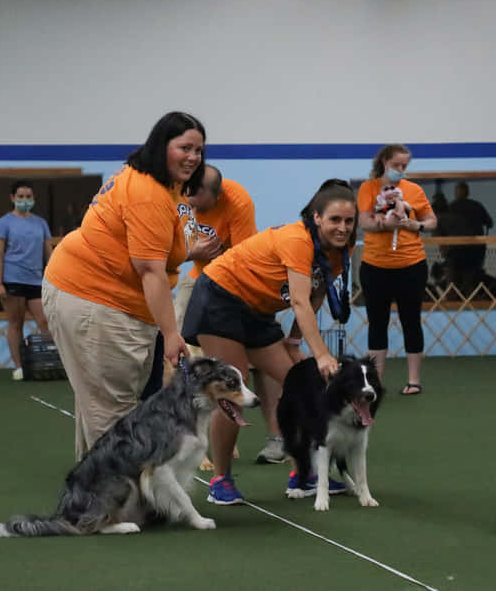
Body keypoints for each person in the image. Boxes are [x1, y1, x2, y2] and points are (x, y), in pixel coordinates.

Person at [181, 179, 357, 505]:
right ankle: (221, 482)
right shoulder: (297, 240)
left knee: (303, 385)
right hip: (220, 299)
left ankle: (303, 475)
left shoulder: (340, 248)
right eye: (335, 219)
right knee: (235, 384)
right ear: (316, 217)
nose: (343, 227)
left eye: (349, 221)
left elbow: (317, 291)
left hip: (257, 309)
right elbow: (300, 303)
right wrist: (320, 355)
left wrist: (294, 340)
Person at [42, 111, 202, 459]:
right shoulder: (149, 194)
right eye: (184, 148)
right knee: (113, 414)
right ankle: (112, 507)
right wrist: (173, 334)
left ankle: (95, 497)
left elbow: (156, 251)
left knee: (104, 404)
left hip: (104, 294)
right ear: (162, 146)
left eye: (198, 150)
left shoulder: (160, 182)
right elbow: (150, 271)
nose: (193, 157)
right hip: (95, 298)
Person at [177, 164, 286, 464]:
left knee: (259, 362)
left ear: (217, 194)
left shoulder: (238, 202)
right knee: (180, 359)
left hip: (234, 286)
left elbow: (243, 260)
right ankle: (187, 437)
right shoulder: (178, 194)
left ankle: (277, 439)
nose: (191, 205)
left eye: (198, 201)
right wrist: (194, 254)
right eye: (187, 197)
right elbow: (164, 249)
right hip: (195, 276)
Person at [357, 145, 437, 395]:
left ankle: (413, 381)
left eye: (404, 166)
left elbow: (432, 220)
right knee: (376, 324)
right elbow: (364, 222)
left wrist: (417, 225)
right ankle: (376, 382)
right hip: (374, 266)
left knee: (411, 321)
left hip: (412, 266)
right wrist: (383, 224)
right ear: (383, 163)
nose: (401, 171)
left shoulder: (414, 190)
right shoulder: (367, 188)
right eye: (396, 166)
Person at [0, 180, 54, 380]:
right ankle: (19, 367)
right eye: (20, 196)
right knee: (16, 323)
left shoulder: (40, 223)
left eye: (28, 197)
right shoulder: (4, 223)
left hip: (36, 280)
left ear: (33, 199)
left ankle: (48, 362)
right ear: (12, 198)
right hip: (13, 279)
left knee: (46, 321)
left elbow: (49, 253)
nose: (24, 200)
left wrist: (55, 279)